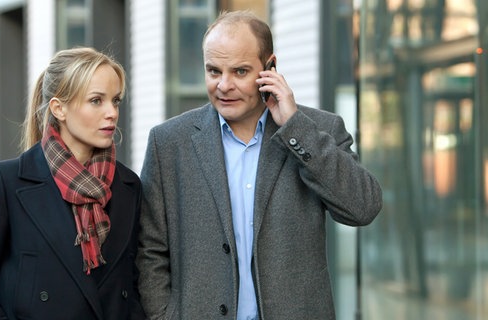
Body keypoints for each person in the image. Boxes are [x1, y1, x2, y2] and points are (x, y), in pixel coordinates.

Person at [136, 10, 383, 320]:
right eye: (214, 71)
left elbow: (363, 207)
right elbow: (150, 250)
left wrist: (294, 127)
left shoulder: (317, 130)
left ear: (270, 67)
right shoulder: (169, 143)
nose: (224, 85)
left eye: (239, 71)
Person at [0, 47, 146, 320]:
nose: (112, 112)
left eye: (115, 100)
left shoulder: (128, 186)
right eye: (96, 101)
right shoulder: (8, 182)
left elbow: (134, 281)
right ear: (59, 108)